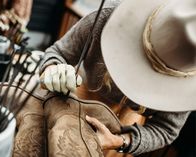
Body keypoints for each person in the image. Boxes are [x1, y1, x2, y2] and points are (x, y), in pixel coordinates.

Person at [38, 0, 195, 155]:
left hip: (120, 132)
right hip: (74, 97)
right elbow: (58, 53)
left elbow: (165, 130)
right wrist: (53, 70)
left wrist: (120, 141)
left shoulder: (190, 78)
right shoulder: (106, 19)